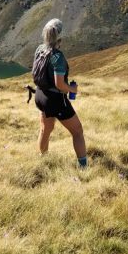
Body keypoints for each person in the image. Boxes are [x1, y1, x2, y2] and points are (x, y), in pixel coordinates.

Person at [33, 18, 87, 168]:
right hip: (55, 99)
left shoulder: (39, 49)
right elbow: (60, 84)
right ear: (60, 37)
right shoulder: (58, 57)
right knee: (77, 131)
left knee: (46, 128)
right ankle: (83, 168)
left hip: (40, 95)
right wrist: (72, 89)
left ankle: (43, 160)